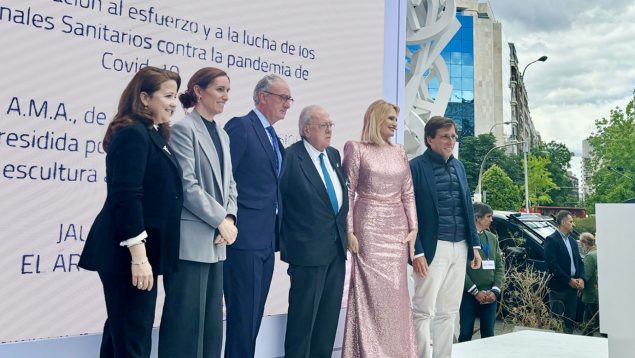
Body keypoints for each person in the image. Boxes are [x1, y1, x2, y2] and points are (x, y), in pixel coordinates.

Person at [78, 66, 182, 358]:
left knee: (121, 334)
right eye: (168, 95)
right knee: (132, 339)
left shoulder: (153, 135)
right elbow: (125, 197)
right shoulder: (133, 135)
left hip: (140, 254)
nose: (174, 103)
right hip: (127, 255)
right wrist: (139, 257)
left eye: (175, 96)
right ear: (145, 98)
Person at [159, 67, 238, 358]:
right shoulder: (183, 129)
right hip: (191, 243)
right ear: (198, 91)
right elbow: (187, 186)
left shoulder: (222, 133)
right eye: (220, 89)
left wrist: (228, 219)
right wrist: (220, 220)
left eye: (228, 90)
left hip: (217, 242)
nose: (226, 96)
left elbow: (231, 183)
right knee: (185, 326)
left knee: (211, 329)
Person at [341, 99, 418, 357]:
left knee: (397, 296)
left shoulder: (399, 151)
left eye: (396, 119)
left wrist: (413, 228)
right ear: (376, 119)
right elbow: (347, 192)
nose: (395, 124)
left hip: (396, 230)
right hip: (368, 229)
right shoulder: (356, 148)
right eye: (390, 119)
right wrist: (349, 230)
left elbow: (408, 192)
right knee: (370, 295)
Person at [223, 74, 290, 357]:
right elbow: (225, 180)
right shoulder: (241, 127)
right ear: (263, 97)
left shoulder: (273, 136)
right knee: (243, 318)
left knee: (253, 316)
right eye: (283, 97)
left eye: (289, 99)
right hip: (243, 239)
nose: (288, 104)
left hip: (265, 240)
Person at [409, 116, 482, 358]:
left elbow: (467, 209)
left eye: (453, 136)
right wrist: (416, 250)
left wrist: (475, 245)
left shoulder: (459, 166)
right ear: (430, 139)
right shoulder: (415, 167)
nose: (451, 141)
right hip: (432, 248)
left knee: (449, 311)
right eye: (444, 136)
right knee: (423, 310)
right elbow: (407, 213)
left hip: (460, 246)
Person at [280, 105, 348, 358]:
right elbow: (280, 204)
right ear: (307, 129)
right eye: (324, 125)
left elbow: (340, 200)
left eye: (331, 125)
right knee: (303, 323)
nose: (330, 130)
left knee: (327, 321)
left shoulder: (333, 155)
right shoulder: (290, 157)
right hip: (306, 253)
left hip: (336, 250)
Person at [458, 202, 504, 342]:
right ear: (477, 218)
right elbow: (459, 268)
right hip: (469, 294)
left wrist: (495, 291)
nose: (491, 220)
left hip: (490, 295)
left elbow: (499, 266)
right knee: (465, 334)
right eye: (489, 216)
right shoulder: (464, 238)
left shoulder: (492, 238)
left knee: (488, 335)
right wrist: (475, 291)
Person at [544, 210, 585, 334]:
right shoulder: (551, 240)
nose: (573, 224)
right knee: (556, 321)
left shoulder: (572, 241)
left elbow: (580, 262)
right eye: (571, 221)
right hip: (559, 288)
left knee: (570, 321)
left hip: (573, 288)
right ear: (563, 222)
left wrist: (582, 278)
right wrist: (568, 280)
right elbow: (552, 265)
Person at [580, 232, 599, 336]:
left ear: (584, 243)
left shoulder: (589, 256)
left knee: (591, 322)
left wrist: (578, 286)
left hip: (590, 293)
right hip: (596, 292)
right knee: (588, 321)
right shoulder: (597, 252)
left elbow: (586, 276)